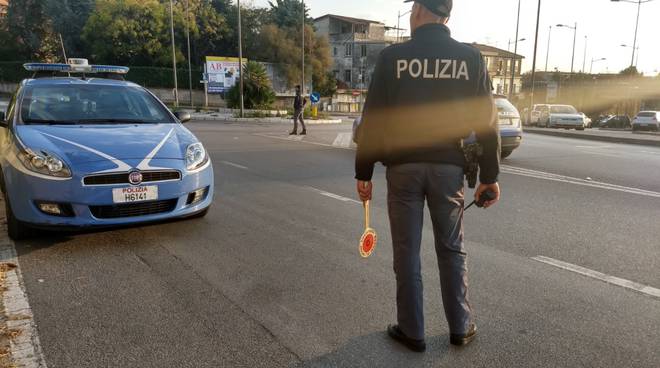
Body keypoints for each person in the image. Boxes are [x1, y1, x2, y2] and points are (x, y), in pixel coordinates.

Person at [354, 0, 501, 352]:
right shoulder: (470, 59)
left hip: (403, 170)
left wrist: (364, 172)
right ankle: (461, 327)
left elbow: (373, 119)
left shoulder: (393, 59)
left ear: (418, 10)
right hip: (449, 169)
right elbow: (487, 122)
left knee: (407, 251)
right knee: (452, 249)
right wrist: (489, 176)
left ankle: (412, 330)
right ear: (446, 16)